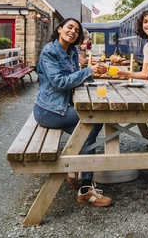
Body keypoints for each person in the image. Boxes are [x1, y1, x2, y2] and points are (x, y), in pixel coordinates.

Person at [33, 18, 112, 206]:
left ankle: (81, 181)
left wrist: (95, 81)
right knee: (92, 122)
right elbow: (60, 82)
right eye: (69, 27)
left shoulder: (72, 52)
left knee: (90, 130)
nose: (73, 32)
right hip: (48, 109)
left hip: (62, 106)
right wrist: (88, 71)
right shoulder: (49, 52)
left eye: (77, 30)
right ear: (60, 29)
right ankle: (82, 183)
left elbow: (75, 77)